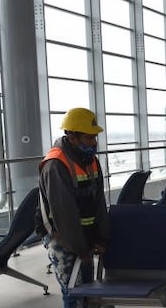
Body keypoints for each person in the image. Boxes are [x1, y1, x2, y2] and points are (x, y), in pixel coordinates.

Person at [38, 108, 110, 308]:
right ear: (72, 136)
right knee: (73, 293)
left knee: (88, 291)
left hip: (84, 237)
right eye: (89, 138)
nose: (94, 142)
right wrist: (80, 248)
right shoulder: (56, 165)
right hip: (63, 239)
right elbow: (64, 215)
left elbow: (98, 203)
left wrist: (101, 238)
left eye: (94, 137)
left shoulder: (90, 161)